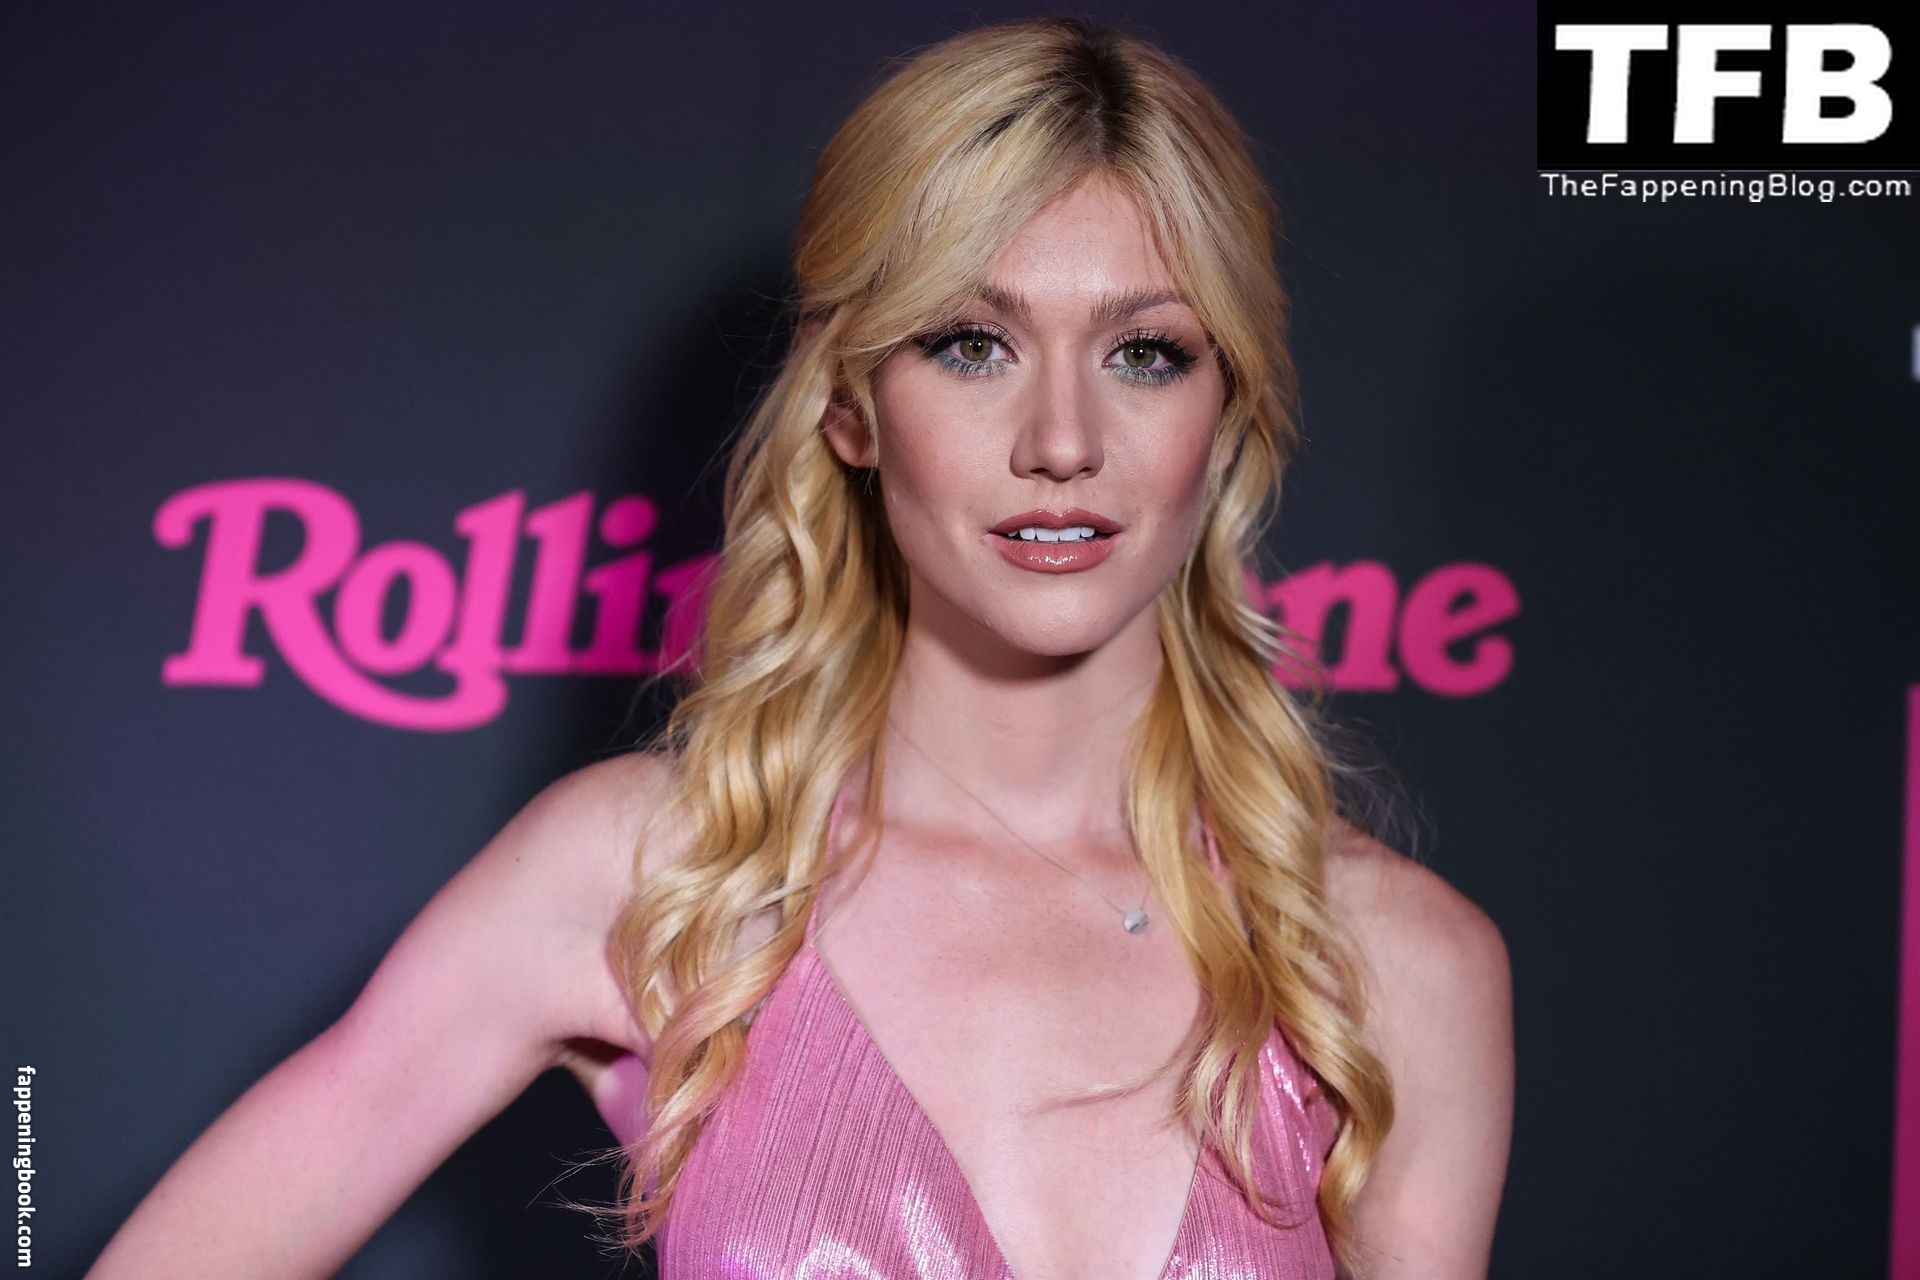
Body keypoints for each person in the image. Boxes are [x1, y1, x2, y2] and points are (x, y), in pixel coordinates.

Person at [87, 15, 1512, 1280]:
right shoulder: (659, 876)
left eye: (1146, 352)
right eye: (972, 344)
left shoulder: (1393, 967)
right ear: (850, 406)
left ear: (1228, 412)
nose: (1064, 441)